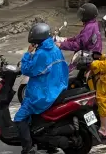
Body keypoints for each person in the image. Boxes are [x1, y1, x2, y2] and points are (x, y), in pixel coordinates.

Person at [15, 22, 69, 154]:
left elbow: (27, 69)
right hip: (58, 88)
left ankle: (28, 148)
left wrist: (28, 54)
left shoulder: (41, 54)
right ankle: (49, 145)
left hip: (44, 94)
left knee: (19, 118)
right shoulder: (55, 49)